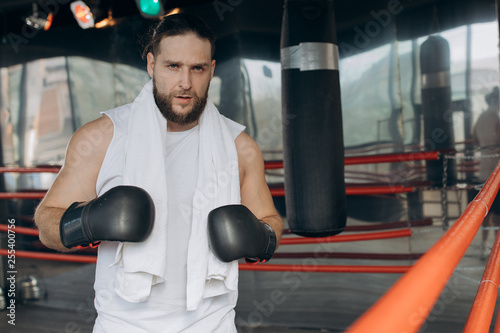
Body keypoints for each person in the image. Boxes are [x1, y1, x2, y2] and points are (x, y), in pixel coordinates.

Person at [34, 13, 283, 332]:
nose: (185, 83)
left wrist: (259, 236)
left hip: (213, 324)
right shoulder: (101, 139)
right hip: (122, 325)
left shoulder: (241, 148)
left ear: (212, 70)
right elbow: (46, 224)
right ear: (152, 65)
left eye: (198, 68)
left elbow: (271, 221)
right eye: (173, 66)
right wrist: (87, 221)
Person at [472, 86, 500, 260]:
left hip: (483, 170)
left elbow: (475, 140)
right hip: (496, 172)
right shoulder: (496, 118)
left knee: (485, 212)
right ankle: (496, 251)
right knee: (498, 214)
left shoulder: (481, 118)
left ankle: (483, 247)